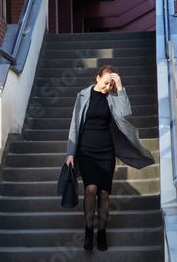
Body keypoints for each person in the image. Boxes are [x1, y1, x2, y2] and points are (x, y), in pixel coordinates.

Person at [65, 65, 155, 251]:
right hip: (86, 151)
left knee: (104, 192)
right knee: (90, 189)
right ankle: (89, 231)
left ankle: (102, 232)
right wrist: (70, 153)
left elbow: (125, 112)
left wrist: (119, 87)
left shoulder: (113, 97)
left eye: (110, 85)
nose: (107, 87)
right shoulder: (83, 96)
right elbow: (74, 125)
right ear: (98, 78)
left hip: (106, 151)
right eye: (106, 83)